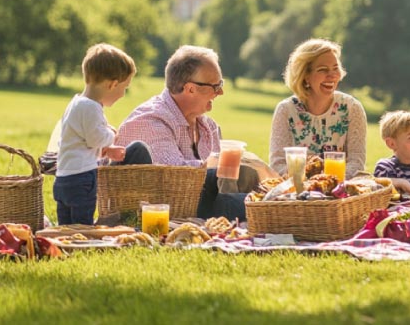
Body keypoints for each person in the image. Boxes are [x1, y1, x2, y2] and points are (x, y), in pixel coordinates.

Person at [116, 45, 258, 220]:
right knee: (255, 207)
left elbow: (220, 187)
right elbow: (174, 179)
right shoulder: (150, 121)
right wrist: (218, 163)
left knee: (261, 199)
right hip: (163, 212)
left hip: (199, 207)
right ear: (190, 89)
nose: (220, 92)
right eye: (215, 86)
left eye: (220, 84)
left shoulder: (208, 127)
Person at [54, 44, 150, 225]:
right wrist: (111, 134)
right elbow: (95, 138)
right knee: (83, 223)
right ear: (112, 84)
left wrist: (106, 151)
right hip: (81, 178)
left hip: (64, 177)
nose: (123, 94)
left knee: (66, 225)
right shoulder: (91, 107)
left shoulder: (76, 104)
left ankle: (64, 243)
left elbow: (80, 143)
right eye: (124, 88)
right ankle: (83, 245)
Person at [269, 38, 367, 178]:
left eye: (335, 68)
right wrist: (306, 183)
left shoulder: (352, 108)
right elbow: (277, 164)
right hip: (296, 192)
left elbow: (356, 162)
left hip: (338, 193)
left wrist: (329, 182)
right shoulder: (286, 110)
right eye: (323, 70)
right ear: (306, 76)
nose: (332, 75)